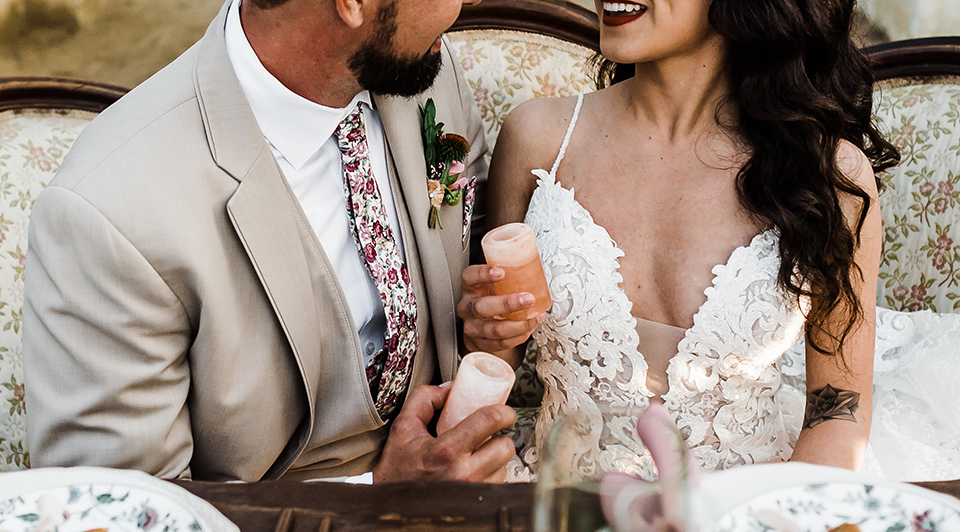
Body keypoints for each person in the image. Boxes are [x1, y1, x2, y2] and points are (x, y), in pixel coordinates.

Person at [460, 0, 960, 482]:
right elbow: (497, 358)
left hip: (747, 511)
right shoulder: (538, 138)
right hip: (562, 504)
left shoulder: (829, 179)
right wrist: (487, 337)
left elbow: (836, 412)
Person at [24, 0, 517, 483]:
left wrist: (485, 319)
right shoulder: (109, 214)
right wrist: (379, 500)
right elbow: (132, 527)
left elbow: (465, 240)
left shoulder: (422, 66)